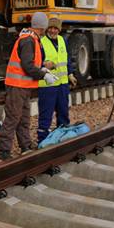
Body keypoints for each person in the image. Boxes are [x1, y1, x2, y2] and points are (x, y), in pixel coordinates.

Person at [0, 11, 56, 159]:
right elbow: (27, 66)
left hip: (23, 86)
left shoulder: (31, 39)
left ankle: (25, 145)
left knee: (23, 117)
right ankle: (4, 151)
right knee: (13, 117)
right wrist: (43, 74)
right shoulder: (29, 40)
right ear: (42, 27)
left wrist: (42, 68)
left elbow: (30, 64)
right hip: (17, 85)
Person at [37, 15, 70, 143]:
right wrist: (44, 64)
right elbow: (35, 62)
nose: (53, 31)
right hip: (47, 85)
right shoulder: (41, 42)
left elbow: (66, 60)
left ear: (59, 29)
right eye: (50, 28)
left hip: (62, 85)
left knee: (63, 112)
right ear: (46, 29)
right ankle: (42, 140)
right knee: (46, 115)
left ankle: (63, 137)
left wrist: (71, 74)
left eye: (55, 28)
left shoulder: (63, 41)